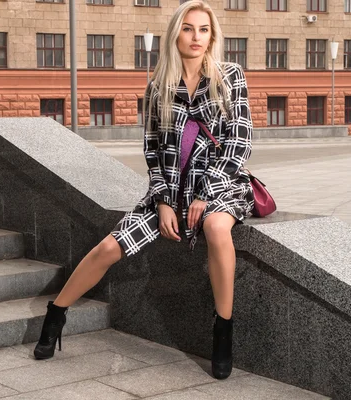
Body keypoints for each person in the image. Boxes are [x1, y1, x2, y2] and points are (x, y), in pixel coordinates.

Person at [33, 0, 254, 380]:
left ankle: (222, 331)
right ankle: (55, 316)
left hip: (222, 185)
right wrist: (165, 201)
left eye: (204, 29)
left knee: (217, 229)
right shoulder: (158, 85)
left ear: (212, 36)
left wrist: (205, 194)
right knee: (108, 247)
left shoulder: (229, 76)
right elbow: (152, 150)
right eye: (188, 28)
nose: (196, 37)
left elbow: (241, 142)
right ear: (175, 34)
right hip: (169, 192)